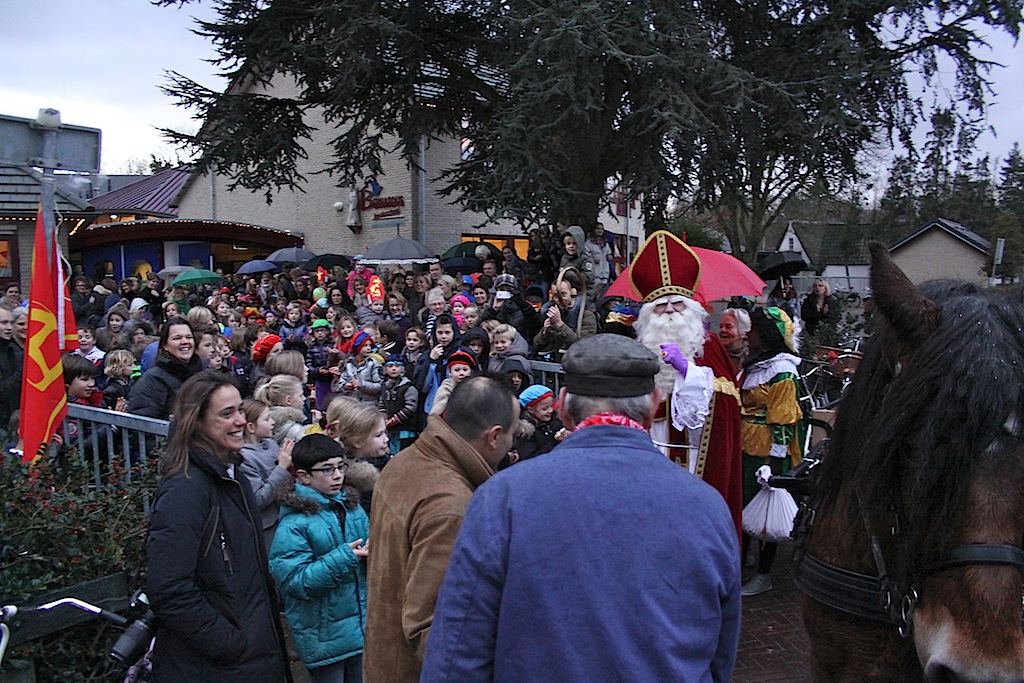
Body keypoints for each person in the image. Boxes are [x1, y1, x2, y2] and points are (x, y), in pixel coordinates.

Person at [421, 335, 741, 682]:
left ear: (562, 406)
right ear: (653, 405)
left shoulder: (503, 497)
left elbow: (459, 648)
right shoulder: (707, 506)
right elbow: (720, 650)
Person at [363, 375, 519, 683]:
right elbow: (435, 631)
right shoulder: (451, 508)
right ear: (494, 436)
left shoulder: (407, 460)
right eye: (512, 433)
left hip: (384, 659)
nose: (512, 442)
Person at [146, 371, 290, 682]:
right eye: (227, 414)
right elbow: (169, 589)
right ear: (196, 421)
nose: (240, 421)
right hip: (217, 666)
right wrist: (230, 644)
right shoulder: (186, 490)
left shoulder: (233, 476)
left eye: (240, 410)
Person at [631, 231, 744, 541]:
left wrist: (688, 372)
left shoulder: (709, 345)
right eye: (661, 305)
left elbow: (727, 406)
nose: (669, 310)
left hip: (696, 461)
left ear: (691, 308)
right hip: (650, 458)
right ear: (648, 315)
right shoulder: (640, 349)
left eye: (677, 304)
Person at [270, 434, 369, 683]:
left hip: (361, 630)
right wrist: (344, 558)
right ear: (304, 476)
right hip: (323, 637)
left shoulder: (353, 509)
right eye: (327, 469)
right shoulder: (294, 524)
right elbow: (294, 582)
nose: (337, 475)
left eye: (340, 467)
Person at [739, 308, 804, 597]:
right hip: (747, 442)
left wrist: (775, 465)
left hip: (766, 450)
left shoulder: (783, 371)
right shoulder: (755, 363)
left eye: (752, 329)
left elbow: (783, 420)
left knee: (764, 507)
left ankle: (763, 573)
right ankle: (743, 560)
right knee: (744, 501)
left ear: (766, 335)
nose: (747, 334)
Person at [240, 398, 296, 548]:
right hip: (267, 528)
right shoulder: (244, 458)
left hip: (285, 517)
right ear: (251, 427)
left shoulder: (271, 444)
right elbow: (258, 498)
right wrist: (282, 468)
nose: (273, 422)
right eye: (267, 419)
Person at [127, 316, 202, 419]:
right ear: (165, 345)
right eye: (177, 338)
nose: (185, 342)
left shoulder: (201, 374)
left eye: (189, 337)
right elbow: (143, 422)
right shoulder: (152, 380)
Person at [0, 307, 21, 435]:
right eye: (4, 323)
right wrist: (21, 373)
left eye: (11, 323)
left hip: (11, 419)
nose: (9, 327)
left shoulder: (12, 348)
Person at [719, 307, 752, 375]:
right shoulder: (714, 353)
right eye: (721, 326)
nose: (723, 330)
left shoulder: (750, 357)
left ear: (743, 332)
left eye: (728, 327)